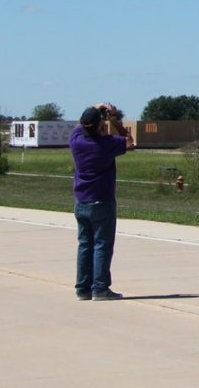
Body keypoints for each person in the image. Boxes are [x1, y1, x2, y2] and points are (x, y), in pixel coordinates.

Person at [69, 103, 134, 301]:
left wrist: (93, 108)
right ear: (99, 125)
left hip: (81, 201)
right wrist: (115, 120)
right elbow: (130, 142)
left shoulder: (76, 141)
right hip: (102, 201)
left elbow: (79, 126)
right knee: (102, 246)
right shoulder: (106, 144)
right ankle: (100, 288)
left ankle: (83, 288)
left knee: (85, 245)